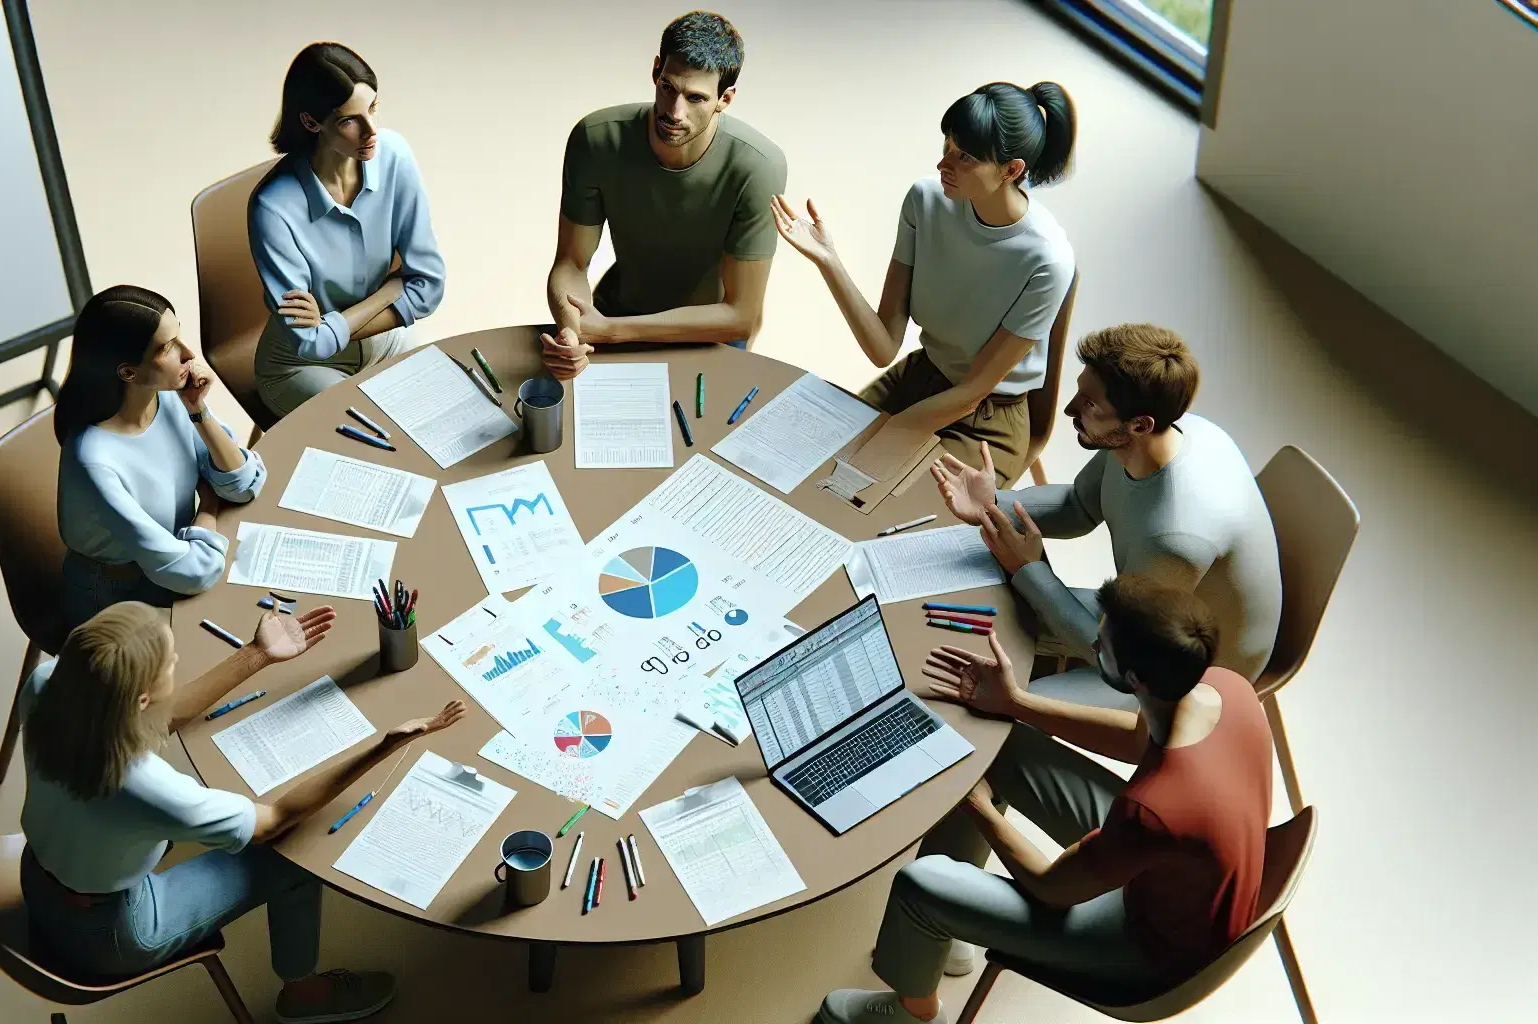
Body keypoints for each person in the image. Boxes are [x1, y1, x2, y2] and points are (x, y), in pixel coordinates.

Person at [818, 575, 1272, 1023]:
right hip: (1179, 872)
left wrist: (973, 801)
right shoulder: (1223, 686)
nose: (1093, 650)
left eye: (1101, 647)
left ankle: (912, 1011)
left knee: (919, 884)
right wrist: (1013, 703)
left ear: (1135, 679)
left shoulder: (1153, 810)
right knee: (998, 746)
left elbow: (1052, 888)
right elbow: (1138, 739)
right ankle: (949, 925)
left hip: (1147, 945)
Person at [18, 600, 467, 1023]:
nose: (177, 668)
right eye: (171, 666)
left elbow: (160, 717)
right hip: (112, 931)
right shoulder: (145, 787)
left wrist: (257, 655)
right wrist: (383, 747)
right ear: (139, 701)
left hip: (37, 876)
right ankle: (303, 995)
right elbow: (275, 820)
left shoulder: (48, 687)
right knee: (295, 854)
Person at [932, 324, 1282, 698]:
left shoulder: (1175, 538)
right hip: (1139, 623)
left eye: (1090, 404)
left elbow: (1112, 657)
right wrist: (994, 503)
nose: (1069, 409)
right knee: (988, 607)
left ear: (1139, 424)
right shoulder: (1159, 431)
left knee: (993, 696)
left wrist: (1029, 570)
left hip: (1187, 676)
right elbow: (1079, 507)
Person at [773, 81, 1077, 487]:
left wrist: (879, 450)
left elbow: (972, 391)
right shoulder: (925, 201)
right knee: (806, 470)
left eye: (964, 157)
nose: (942, 166)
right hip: (920, 378)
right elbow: (883, 347)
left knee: (861, 498)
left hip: (987, 420)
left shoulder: (1047, 259)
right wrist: (828, 259)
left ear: (1012, 169)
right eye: (946, 148)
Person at [539, 11, 787, 379]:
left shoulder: (758, 167)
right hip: (614, 310)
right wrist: (571, 329)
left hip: (709, 333)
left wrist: (611, 331)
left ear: (725, 99)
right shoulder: (596, 139)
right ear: (656, 71)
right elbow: (571, 263)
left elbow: (742, 315)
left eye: (696, 98)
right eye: (668, 87)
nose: (674, 111)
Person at [250, 42, 444, 417]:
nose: (372, 131)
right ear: (311, 122)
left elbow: (429, 288)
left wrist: (329, 327)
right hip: (298, 365)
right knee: (376, 442)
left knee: (436, 411)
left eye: (372, 108)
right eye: (349, 120)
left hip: (381, 337)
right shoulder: (272, 208)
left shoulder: (395, 156)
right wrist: (391, 288)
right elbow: (309, 343)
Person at [55, 286, 267, 628]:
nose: (188, 354)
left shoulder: (167, 399)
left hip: (179, 553)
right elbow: (191, 573)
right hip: (117, 597)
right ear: (128, 372)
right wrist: (209, 506)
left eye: (179, 336)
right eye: (167, 348)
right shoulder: (93, 460)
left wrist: (198, 411)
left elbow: (244, 484)